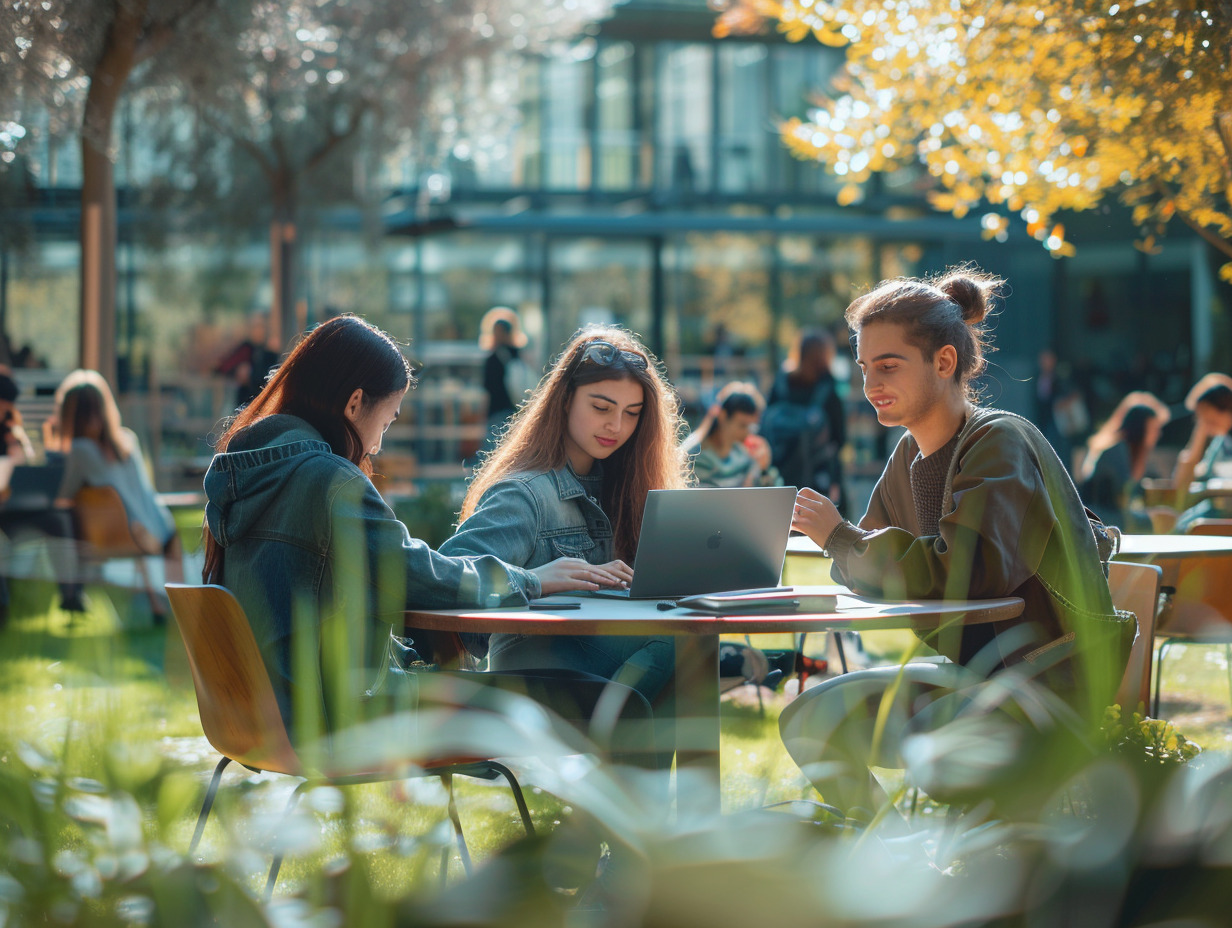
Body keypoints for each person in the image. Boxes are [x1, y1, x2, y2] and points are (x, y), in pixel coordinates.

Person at [781, 268, 1130, 812]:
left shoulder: (999, 443)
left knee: (887, 735)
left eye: (889, 366)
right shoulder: (907, 458)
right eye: (865, 367)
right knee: (809, 717)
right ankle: (895, 857)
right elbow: (865, 559)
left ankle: (948, 871)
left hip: (1041, 686)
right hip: (973, 675)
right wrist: (846, 547)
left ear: (944, 362)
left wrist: (842, 541)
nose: (871, 385)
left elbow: (961, 572)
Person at [201, 314, 637, 745]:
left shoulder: (248, 474)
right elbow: (416, 576)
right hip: (337, 714)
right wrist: (532, 580)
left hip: (257, 716)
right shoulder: (326, 480)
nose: (378, 444)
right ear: (354, 403)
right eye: (387, 421)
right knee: (617, 702)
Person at [442, 325, 685, 707]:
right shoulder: (525, 493)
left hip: (609, 653)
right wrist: (533, 580)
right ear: (565, 399)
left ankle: (620, 751)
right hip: (536, 666)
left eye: (632, 413)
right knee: (679, 642)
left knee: (687, 645)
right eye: (601, 407)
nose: (616, 426)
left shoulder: (629, 487)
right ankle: (615, 745)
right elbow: (448, 575)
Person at [52, 370, 182, 579]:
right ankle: (166, 603)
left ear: (71, 415)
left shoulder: (80, 449)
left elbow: (63, 496)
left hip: (125, 532)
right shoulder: (128, 440)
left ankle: (72, 590)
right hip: (161, 527)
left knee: (59, 521)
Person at [763, 329, 847, 508]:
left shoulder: (781, 382)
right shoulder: (828, 386)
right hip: (817, 476)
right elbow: (839, 438)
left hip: (778, 474)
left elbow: (764, 420)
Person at [1076, 391, 1170, 533]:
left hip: (1111, 517)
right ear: (1140, 428)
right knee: (1163, 519)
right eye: (1154, 428)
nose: (1158, 434)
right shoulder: (1116, 452)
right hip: (1100, 520)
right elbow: (1116, 500)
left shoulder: (1129, 452)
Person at [682, 381, 782, 488]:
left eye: (751, 427)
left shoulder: (744, 454)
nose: (747, 433)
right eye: (742, 425)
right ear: (723, 416)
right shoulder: (692, 454)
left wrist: (763, 469)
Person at [1171, 373, 1232, 531]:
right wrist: (1199, 434)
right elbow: (1182, 483)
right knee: (1179, 525)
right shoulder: (1221, 442)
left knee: (1185, 529)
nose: (1207, 427)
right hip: (1217, 509)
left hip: (1224, 513)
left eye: (1209, 421)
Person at [478, 306, 536, 455]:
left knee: (493, 453)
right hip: (518, 410)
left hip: (497, 411)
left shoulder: (492, 358)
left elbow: (487, 389)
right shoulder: (520, 354)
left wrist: (483, 415)